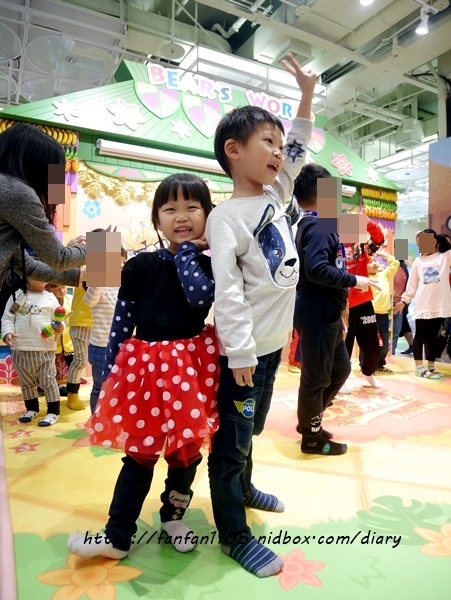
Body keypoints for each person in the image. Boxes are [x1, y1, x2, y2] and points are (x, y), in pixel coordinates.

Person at [67, 173, 219, 559]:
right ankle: (117, 534)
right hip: (146, 368)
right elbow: (123, 318)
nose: (181, 216)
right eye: (170, 208)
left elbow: (200, 298)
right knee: (139, 452)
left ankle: (173, 516)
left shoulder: (209, 265)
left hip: (191, 366)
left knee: (186, 453)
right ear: (157, 219)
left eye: (192, 207)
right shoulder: (140, 266)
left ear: (208, 216)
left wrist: (188, 253)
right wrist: (114, 371)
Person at [206, 53, 316, 578]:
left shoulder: (278, 192)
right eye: (266, 143)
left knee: (252, 429)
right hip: (243, 356)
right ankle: (233, 534)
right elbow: (227, 291)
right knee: (231, 441)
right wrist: (240, 353)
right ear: (234, 151)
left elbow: (300, 144)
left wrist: (307, 96)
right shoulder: (226, 217)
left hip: (272, 348)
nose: (279, 152)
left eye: (278, 143)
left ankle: (246, 489)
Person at [293, 163, 378, 456]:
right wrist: (356, 279)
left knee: (340, 369)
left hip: (326, 310)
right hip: (317, 309)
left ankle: (309, 421)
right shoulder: (317, 225)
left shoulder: (322, 223)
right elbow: (317, 269)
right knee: (316, 377)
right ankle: (312, 437)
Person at [0, 123, 86, 291]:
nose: (56, 183)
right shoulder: (17, 192)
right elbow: (58, 258)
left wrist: (79, 275)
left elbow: (25, 264)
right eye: (55, 173)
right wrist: (106, 249)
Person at [1, 278, 65, 426]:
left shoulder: (50, 297)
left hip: (44, 349)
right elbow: (8, 318)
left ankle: (53, 411)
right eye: (38, 273)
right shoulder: (17, 296)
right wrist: (7, 333)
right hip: (20, 348)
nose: (43, 277)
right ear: (26, 275)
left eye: (45, 273)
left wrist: (59, 328)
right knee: (26, 382)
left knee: (48, 381)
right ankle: (32, 409)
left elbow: (58, 320)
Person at [394, 228, 451, 379]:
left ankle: (431, 367)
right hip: (423, 306)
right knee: (420, 336)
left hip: (439, 306)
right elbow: (411, 286)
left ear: (433, 242)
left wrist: (445, 242)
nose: (420, 246)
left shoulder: (444, 257)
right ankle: (419, 368)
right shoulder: (419, 261)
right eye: (419, 243)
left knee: (433, 337)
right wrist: (404, 301)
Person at [343, 214, 385, 388]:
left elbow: (379, 240)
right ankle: (340, 379)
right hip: (344, 304)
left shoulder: (361, 247)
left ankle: (368, 372)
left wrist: (368, 223)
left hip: (364, 301)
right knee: (344, 345)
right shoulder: (334, 246)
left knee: (373, 346)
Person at [84, 247, 127, 413]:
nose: (120, 267)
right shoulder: (99, 285)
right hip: (101, 346)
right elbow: (89, 300)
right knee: (99, 386)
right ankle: (96, 420)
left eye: (123, 263)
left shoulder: (123, 286)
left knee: (119, 385)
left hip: (121, 345)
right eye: (116, 263)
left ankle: (113, 420)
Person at [365, 249, 399, 373]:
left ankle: (380, 364)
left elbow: (396, 264)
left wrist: (385, 255)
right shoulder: (364, 277)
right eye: (371, 262)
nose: (375, 264)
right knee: (368, 342)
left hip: (383, 315)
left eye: (375, 261)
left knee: (384, 344)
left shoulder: (383, 274)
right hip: (370, 314)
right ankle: (366, 365)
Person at [45, 283, 74, 395]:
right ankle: (46, 385)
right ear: (47, 287)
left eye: (64, 287)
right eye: (56, 287)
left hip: (68, 341)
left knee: (75, 363)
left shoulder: (70, 299)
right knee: (47, 366)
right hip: (50, 341)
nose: (62, 291)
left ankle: (73, 384)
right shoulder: (46, 302)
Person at [392, 260, 413, 355]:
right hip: (387, 302)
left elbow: (409, 286)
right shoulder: (387, 263)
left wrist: (405, 301)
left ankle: (391, 354)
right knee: (385, 332)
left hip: (400, 303)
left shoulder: (403, 267)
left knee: (396, 332)